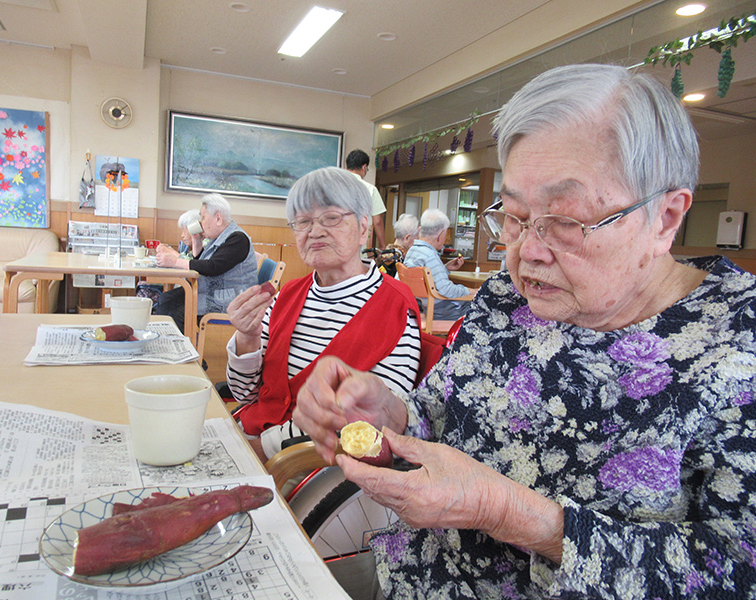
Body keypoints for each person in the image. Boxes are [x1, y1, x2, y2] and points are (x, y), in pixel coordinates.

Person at [293, 63, 756, 599]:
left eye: (566, 221)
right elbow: (437, 418)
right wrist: (388, 413)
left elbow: (737, 571)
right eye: (513, 216)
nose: (526, 253)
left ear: (665, 218)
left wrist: (511, 514)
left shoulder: (736, 344)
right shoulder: (506, 301)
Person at [224, 166, 422, 462]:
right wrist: (247, 337)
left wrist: (260, 450)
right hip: (249, 437)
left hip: (310, 466)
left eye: (331, 217)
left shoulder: (395, 305)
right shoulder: (288, 294)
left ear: (364, 228)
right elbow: (245, 395)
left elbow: (370, 424)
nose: (314, 231)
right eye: (303, 222)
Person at [154, 193, 258, 333]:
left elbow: (212, 267)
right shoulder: (220, 238)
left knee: (176, 312)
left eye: (203, 217)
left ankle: (184, 351)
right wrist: (196, 240)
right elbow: (201, 264)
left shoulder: (238, 239)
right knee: (166, 299)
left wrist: (175, 262)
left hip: (228, 301)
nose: (200, 223)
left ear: (218, 219)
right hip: (214, 293)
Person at [403, 208, 474, 320]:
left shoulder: (413, 251)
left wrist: (444, 268)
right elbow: (446, 290)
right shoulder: (430, 255)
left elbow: (428, 278)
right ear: (441, 235)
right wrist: (470, 291)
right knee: (479, 304)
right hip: (441, 312)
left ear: (420, 230)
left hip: (422, 307)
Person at [346, 149, 387, 250]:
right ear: (364, 167)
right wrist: (383, 245)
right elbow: (377, 221)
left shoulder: (333, 186)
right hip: (358, 242)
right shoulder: (370, 189)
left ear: (346, 167)